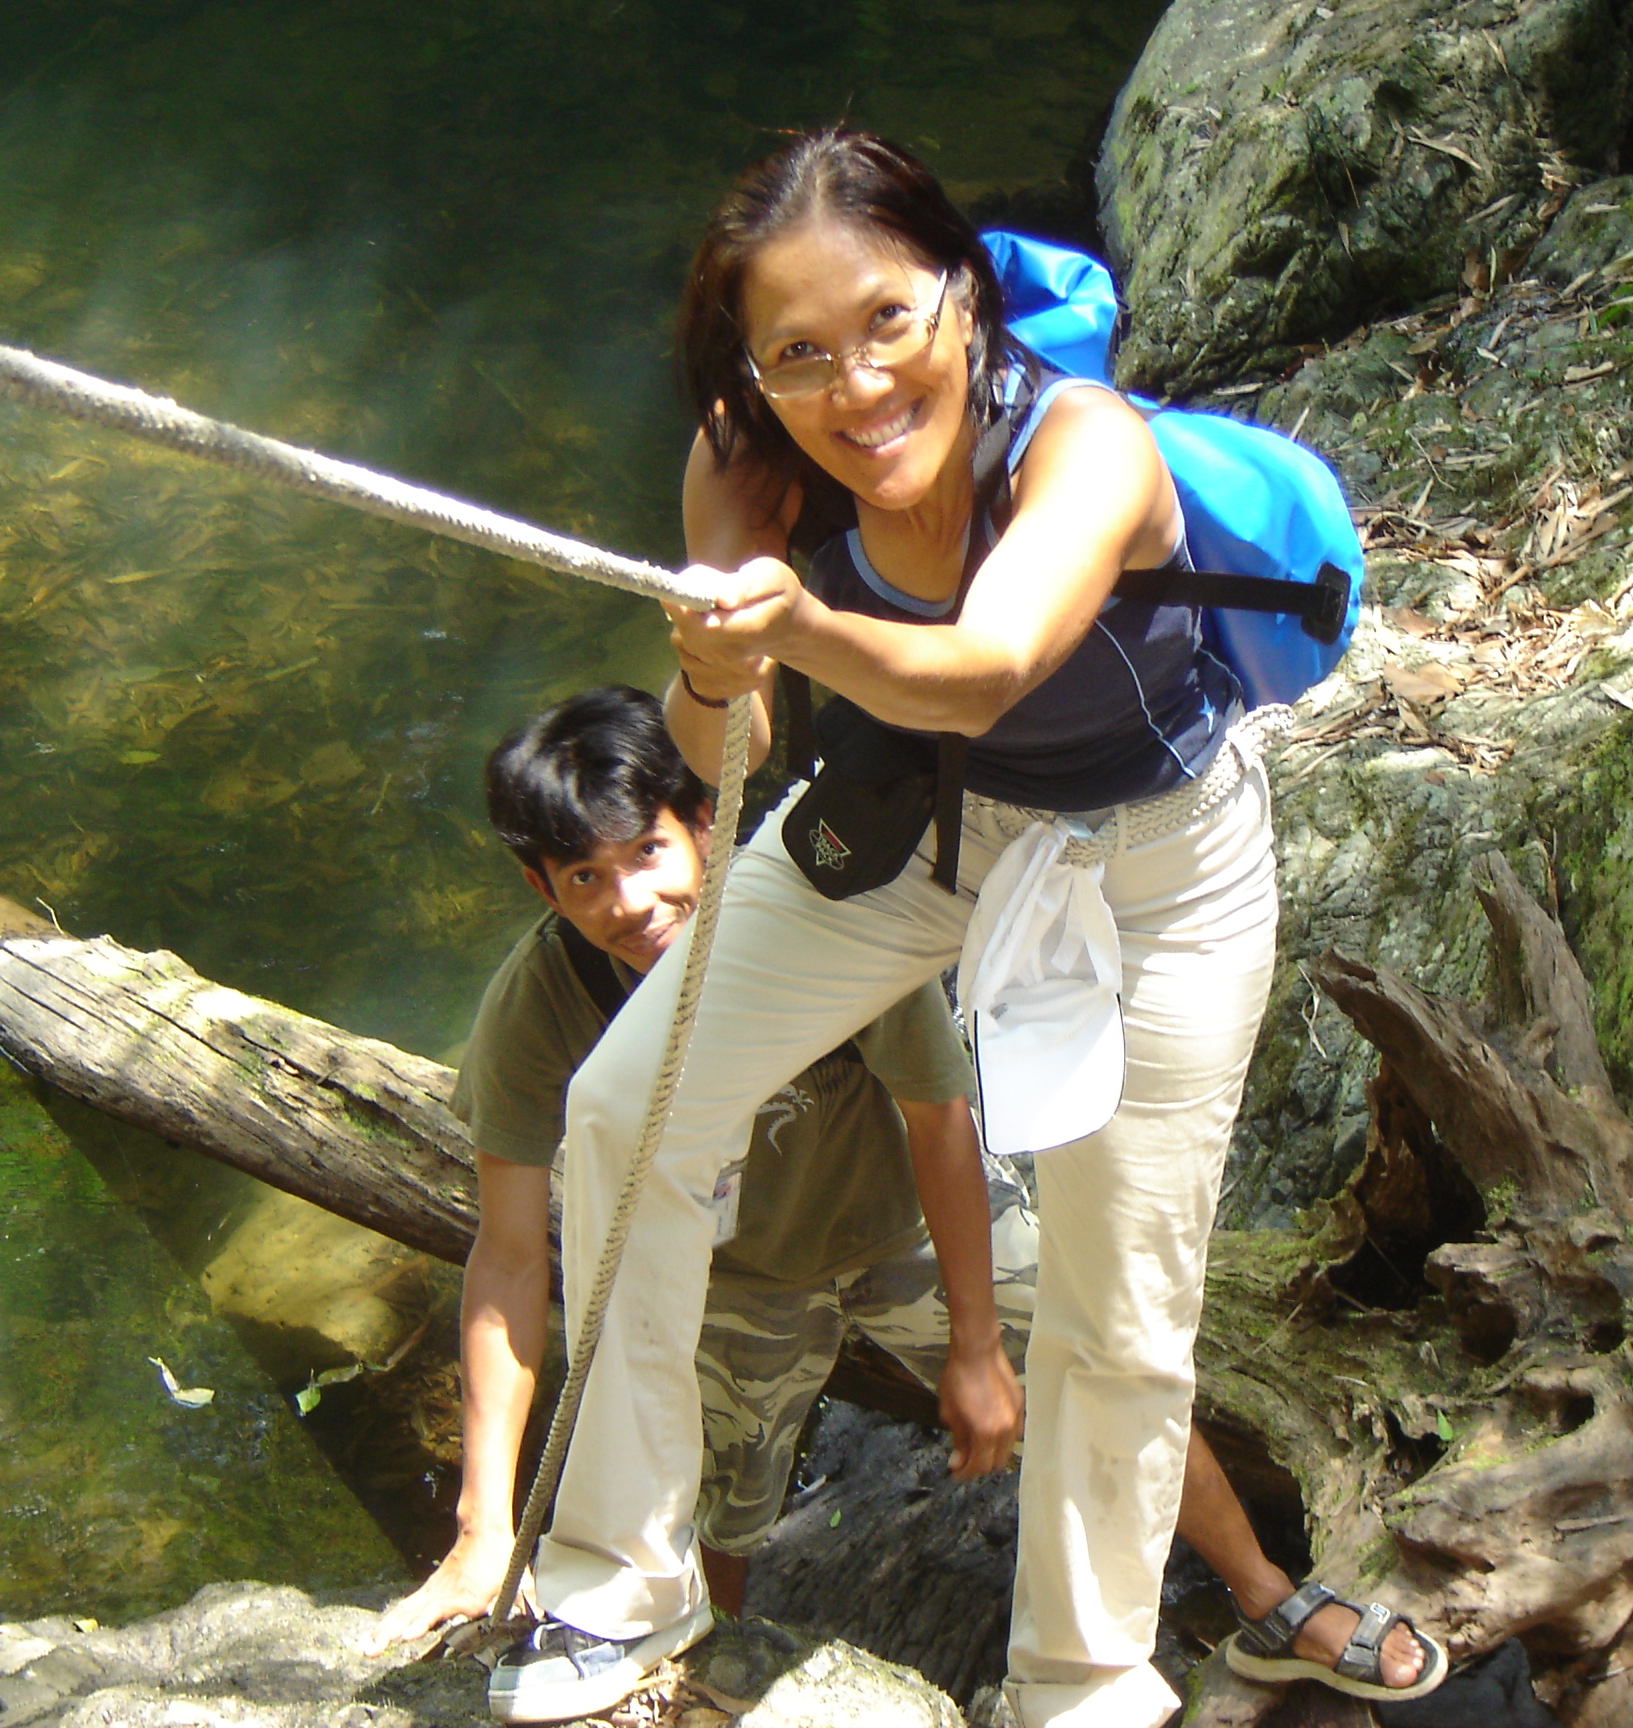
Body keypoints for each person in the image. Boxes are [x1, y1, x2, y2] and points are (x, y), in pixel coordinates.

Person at [497, 130, 1443, 1728]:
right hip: (913, 823)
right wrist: (721, 661)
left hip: (1161, 863)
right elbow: (712, 731)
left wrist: (794, 622)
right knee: (625, 1110)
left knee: (1119, 1298)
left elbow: (996, 659)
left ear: (960, 295)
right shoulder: (748, 461)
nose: (856, 390)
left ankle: (1079, 1684)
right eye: (798, 353)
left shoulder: (1086, 447)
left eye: (886, 322)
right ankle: (615, 1586)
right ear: (750, 369)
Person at [365, 688, 1430, 1716]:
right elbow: (508, 1261)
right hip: (742, 1282)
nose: (628, 903)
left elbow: (938, 1119)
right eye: (583, 878)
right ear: (542, 889)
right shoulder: (539, 1002)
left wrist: (974, 1342)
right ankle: (677, 1675)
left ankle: (1263, 1596)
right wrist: (482, 1522)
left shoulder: (802, 927)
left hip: (907, 1225)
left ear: (704, 821)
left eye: (646, 853)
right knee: (713, 1513)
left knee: (1094, 1352)